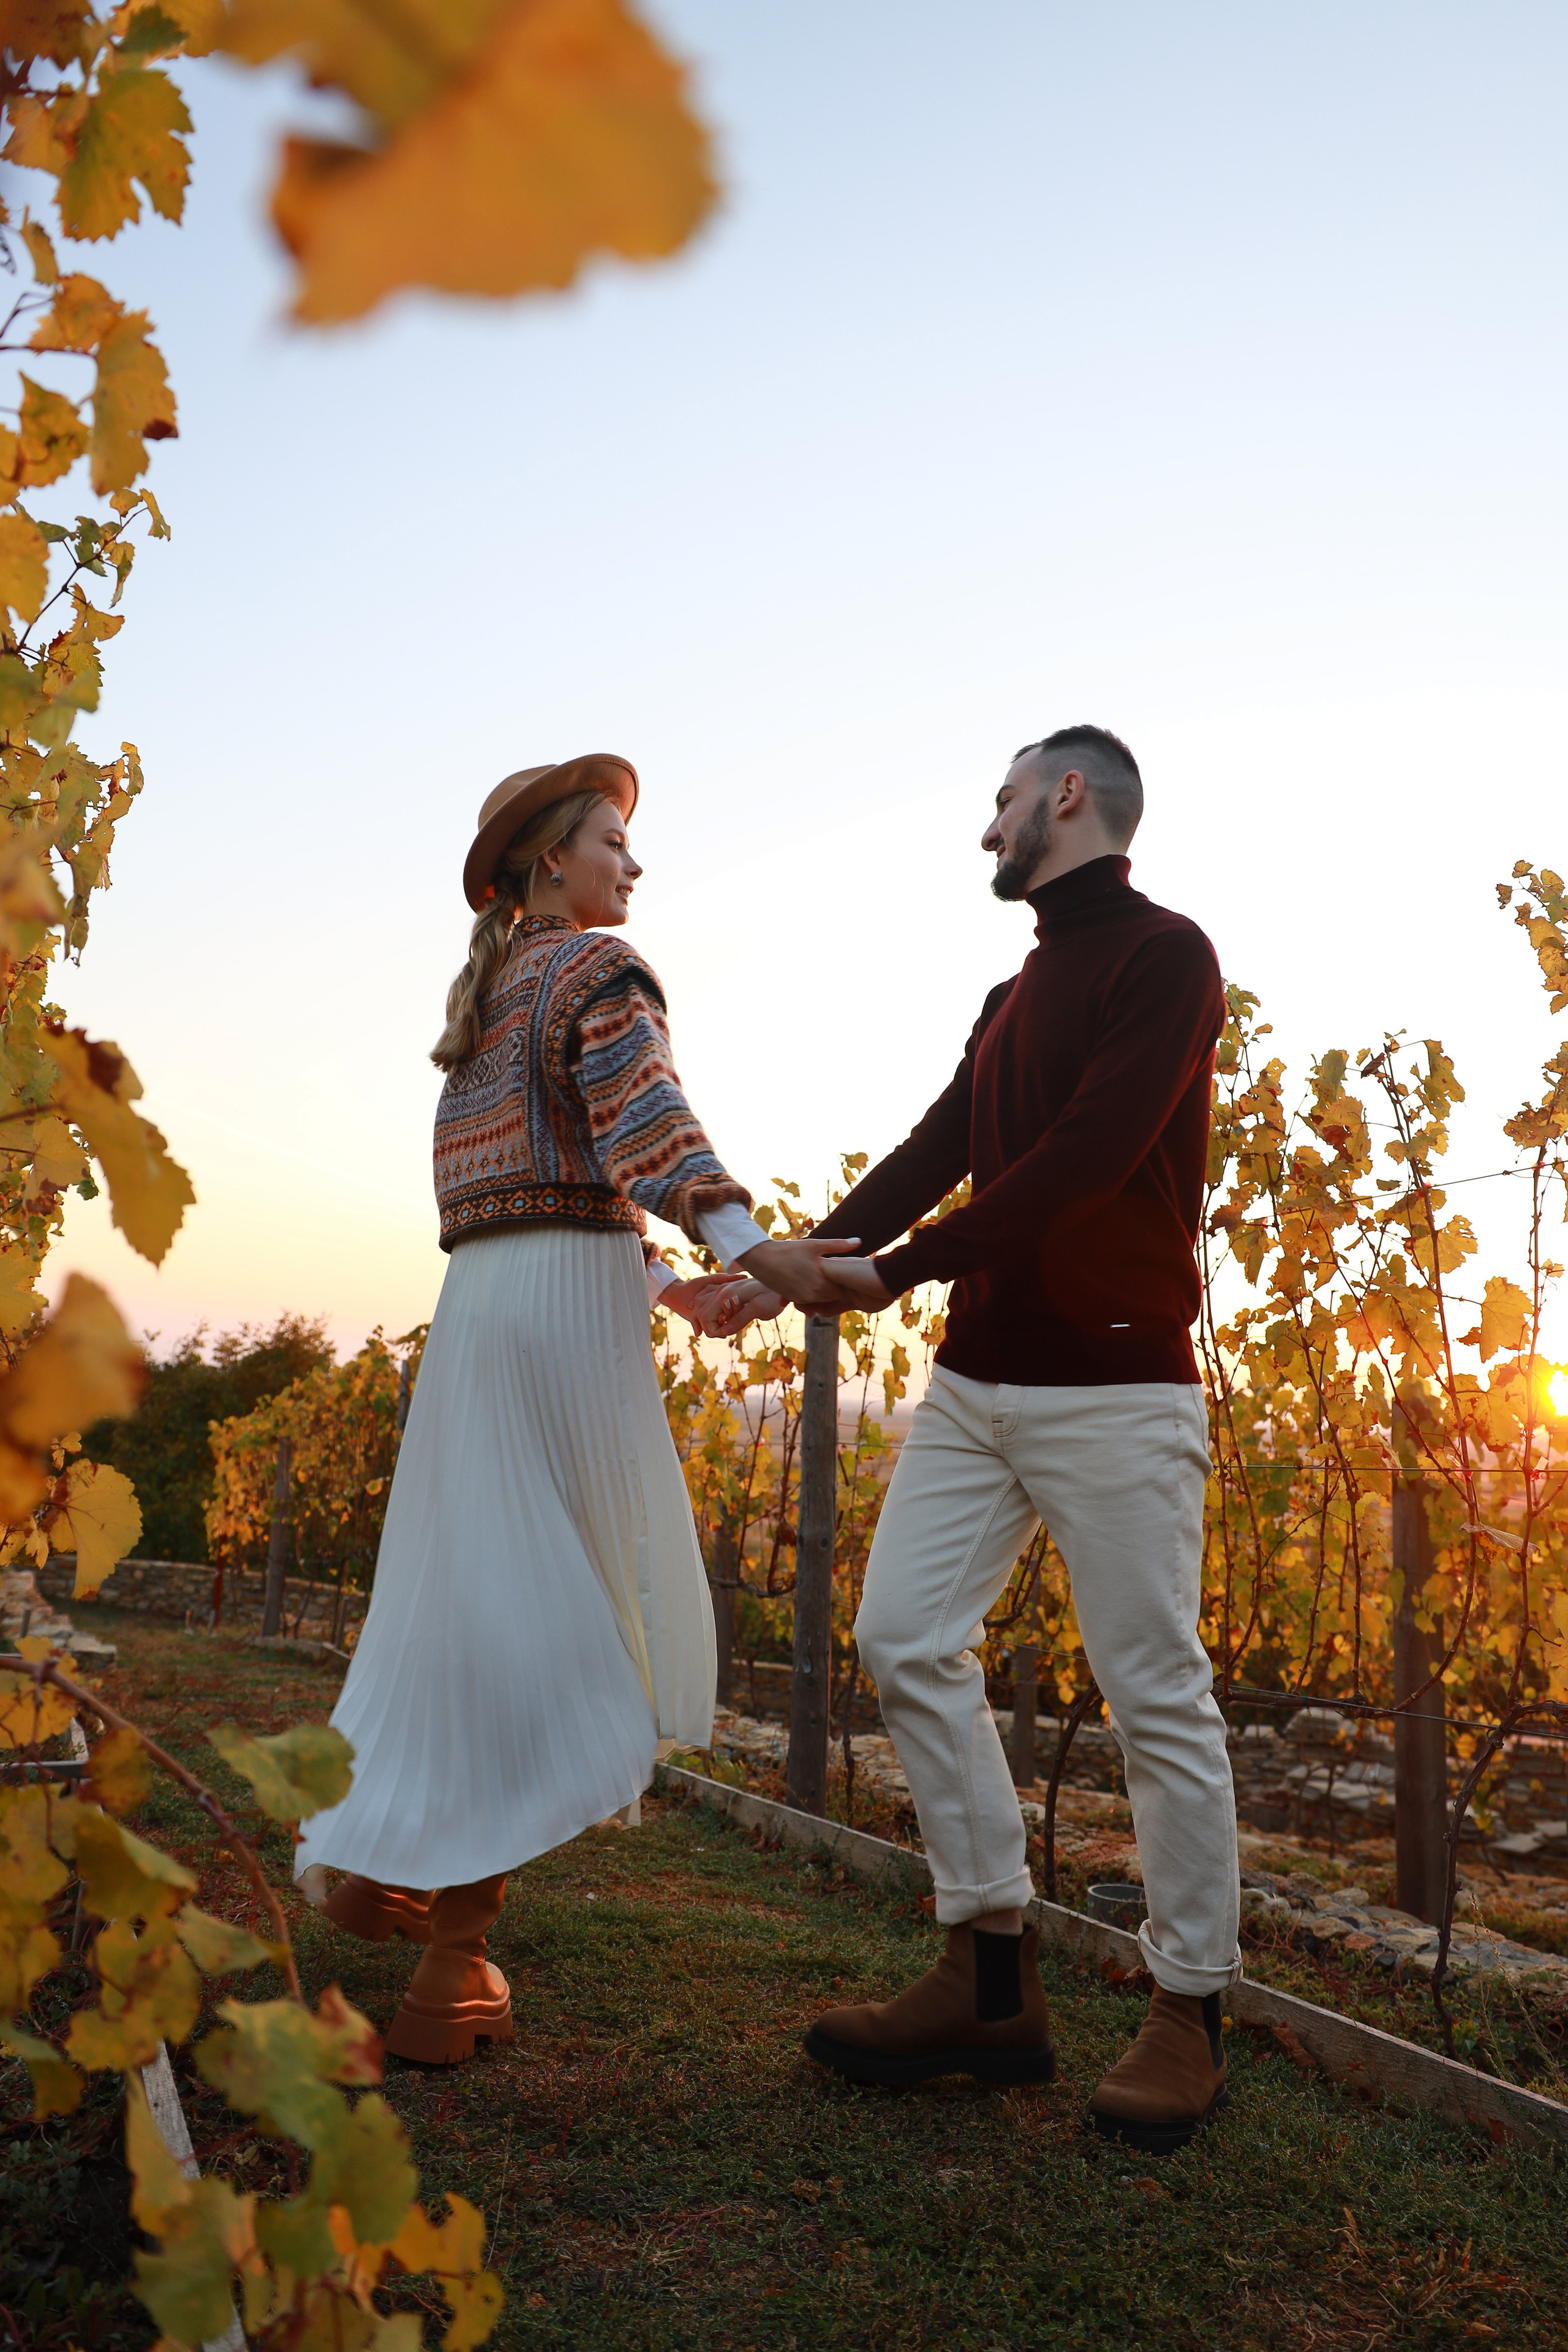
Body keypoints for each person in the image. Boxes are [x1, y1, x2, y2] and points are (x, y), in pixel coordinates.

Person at [722, 725, 1238, 2154]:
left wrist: (890, 1275)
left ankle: (1187, 2007)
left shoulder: (1166, 958)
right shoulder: (1012, 988)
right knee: (900, 1638)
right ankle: (989, 1968)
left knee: (1153, 1693)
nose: (986, 829)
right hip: (975, 1388)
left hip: (1117, 1386)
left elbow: (1086, 1154)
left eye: (1001, 801)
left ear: (1065, 798)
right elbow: (939, 1142)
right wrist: (778, 1261)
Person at [297, 753, 852, 2064]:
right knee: (563, 1612)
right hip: (559, 1322)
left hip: (479, 1314)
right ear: (554, 859)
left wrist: (663, 1283)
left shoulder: (486, 1000)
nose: (634, 865)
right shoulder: (600, 973)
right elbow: (645, 1124)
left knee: (459, 1594)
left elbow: (539, 1178)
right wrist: (753, 1245)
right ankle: (452, 1962)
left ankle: (373, 1862)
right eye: (615, 840)